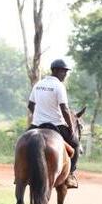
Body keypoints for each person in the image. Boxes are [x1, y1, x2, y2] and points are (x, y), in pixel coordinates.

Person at [28, 59, 80, 189]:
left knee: (21, 143)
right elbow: (64, 109)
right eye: (64, 72)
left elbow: (30, 105)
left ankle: (20, 174)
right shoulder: (59, 86)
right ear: (56, 70)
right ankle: (70, 175)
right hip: (56, 126)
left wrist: (39, 115)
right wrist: (71, 128)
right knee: (76, 144)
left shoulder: (38, 84)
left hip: (37, 124)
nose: (65, 74)